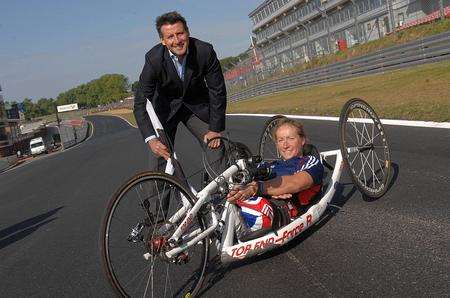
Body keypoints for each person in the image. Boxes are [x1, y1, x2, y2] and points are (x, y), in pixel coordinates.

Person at [133, 11, 227, 170]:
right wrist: (151, 139)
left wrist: (215, 129)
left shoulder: (204, 51)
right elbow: (141, 102)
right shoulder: (153, 59)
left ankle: (221, 191)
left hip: (195, 106)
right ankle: (160, 194)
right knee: (160, 158)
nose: (177, 40)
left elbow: (217, 90)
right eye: (170, 37)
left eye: (180, 34)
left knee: (215, 146)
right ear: (162, 40)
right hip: (165, 110)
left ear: (188, 32)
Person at [226, 118, 324, 241]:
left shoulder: (308, 161)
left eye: (291, 139)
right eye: (280, 140)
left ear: (303, 140)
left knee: (259, 209)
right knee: (228, 196)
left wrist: (260, 188)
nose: (285, 145)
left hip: (279, 210)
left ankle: (237, 226)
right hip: (252, 200)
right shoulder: (270, 165)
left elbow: (296, 183)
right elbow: (248, 182)